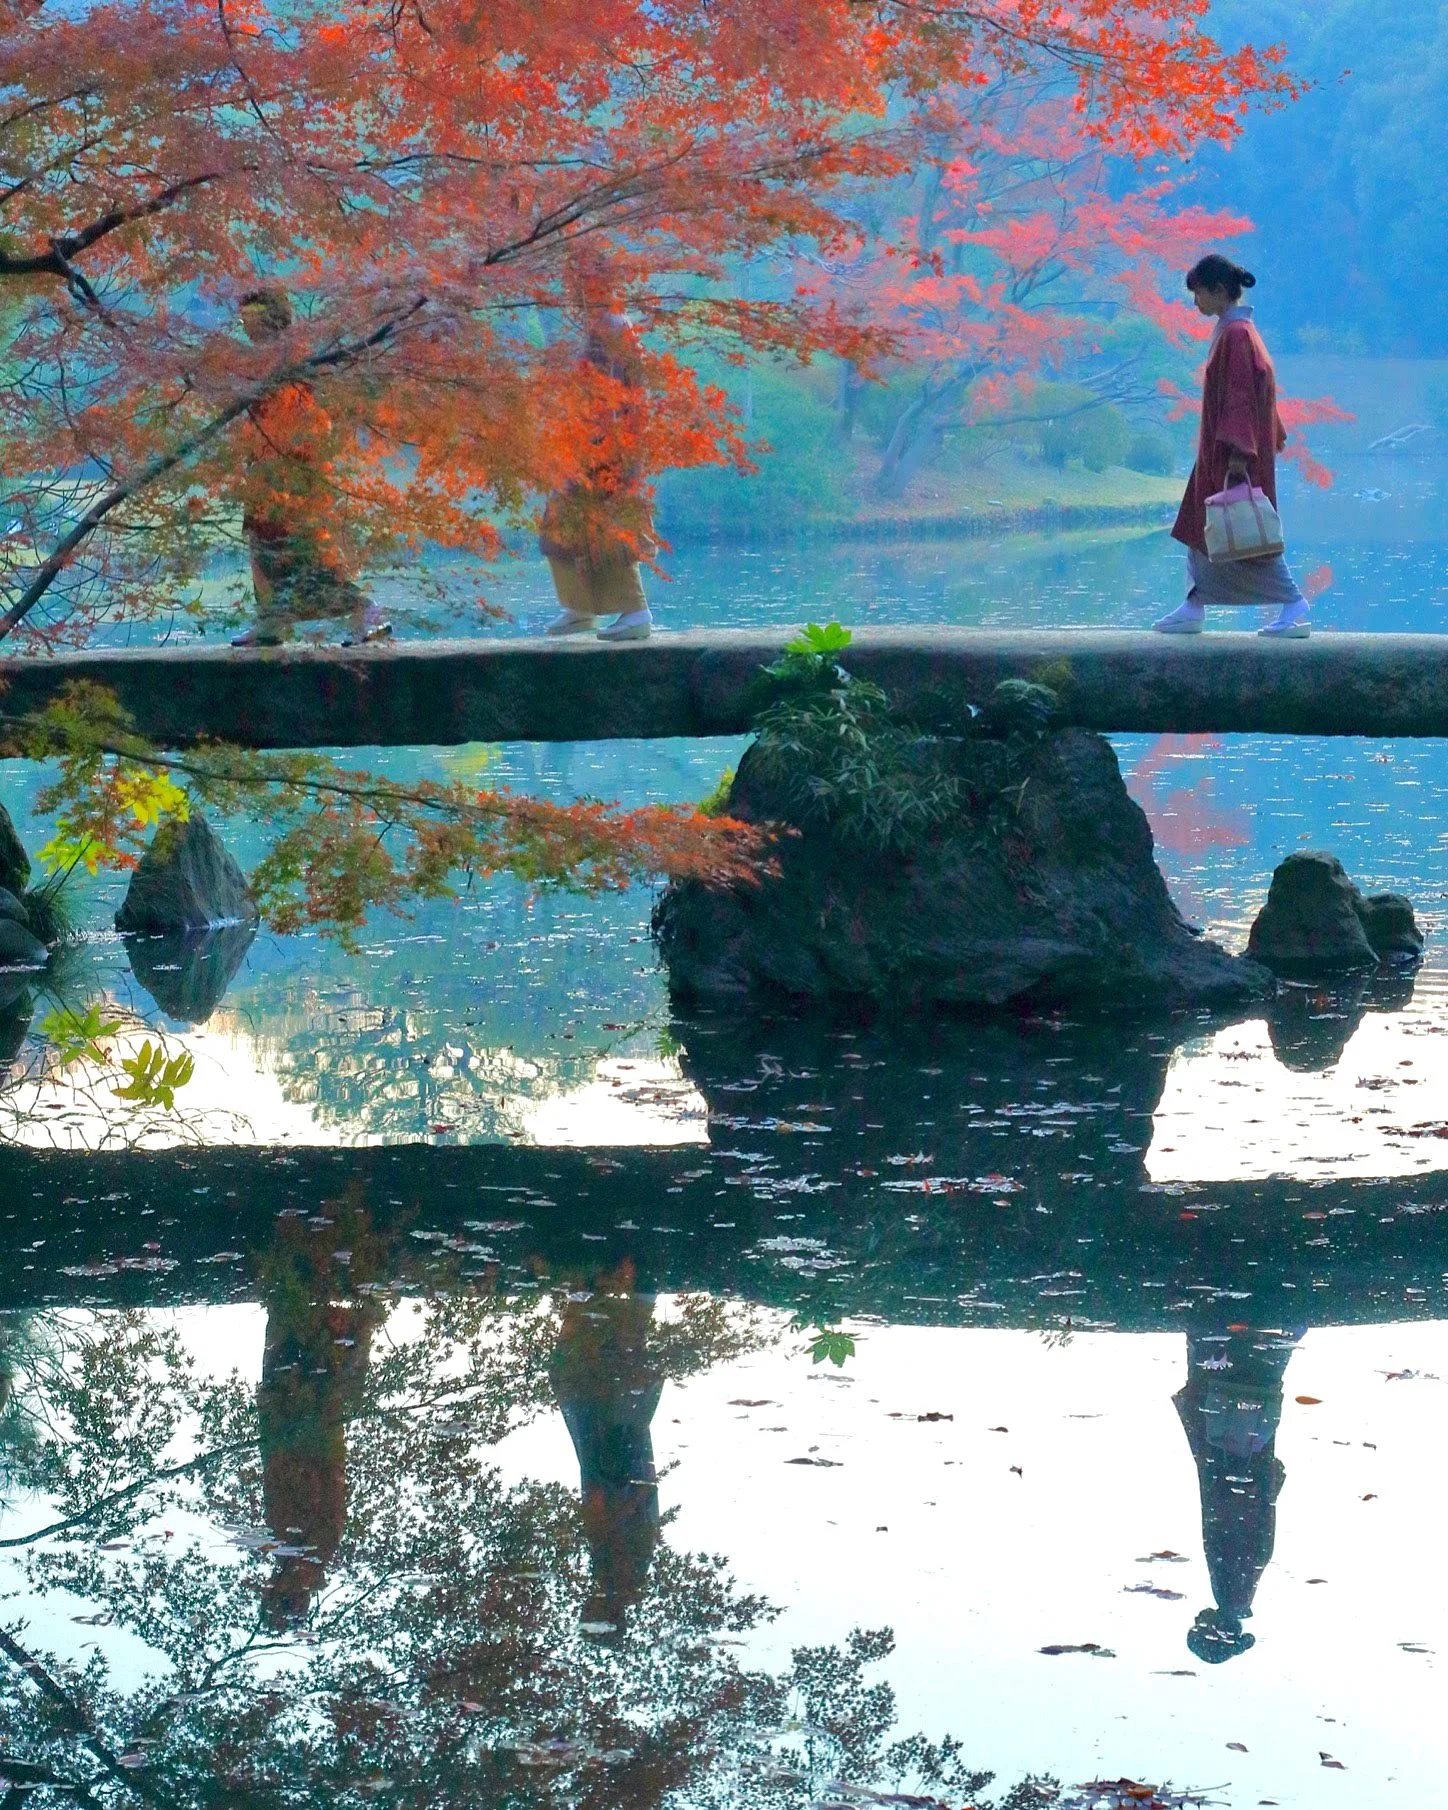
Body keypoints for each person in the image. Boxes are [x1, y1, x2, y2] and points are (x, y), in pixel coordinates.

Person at [1153, 255, 1311, 639]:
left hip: (1231, 455)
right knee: (1201, 526)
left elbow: (1241, 396)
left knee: (1248, 534)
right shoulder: (1240, 331)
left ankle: (1293, 603)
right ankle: (1193, 605)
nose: (1195, 302)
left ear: (1219, 291)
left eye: (1199, 293)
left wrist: (1240, 452)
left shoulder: (1236, 335)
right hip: (1222, 452)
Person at [231, 287, 391, 648]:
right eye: (242, 318)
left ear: (269, 318)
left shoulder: (290, 362)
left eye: (249, 317)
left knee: (297, 555)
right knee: (261, 548)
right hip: (264, 473)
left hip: (286, 475)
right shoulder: (263, 363)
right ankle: (271, 623)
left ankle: (365, 611)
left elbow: (307, 425)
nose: (244, 325)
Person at [539, 309, 656, 642]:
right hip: (594, 445)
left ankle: (635, 612)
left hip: (603, 449)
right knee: (563, 522)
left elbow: (608, 397)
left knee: (608, 527)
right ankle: (579, 607)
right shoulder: (600, 324)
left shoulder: (610, 326)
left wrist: (596, 450)